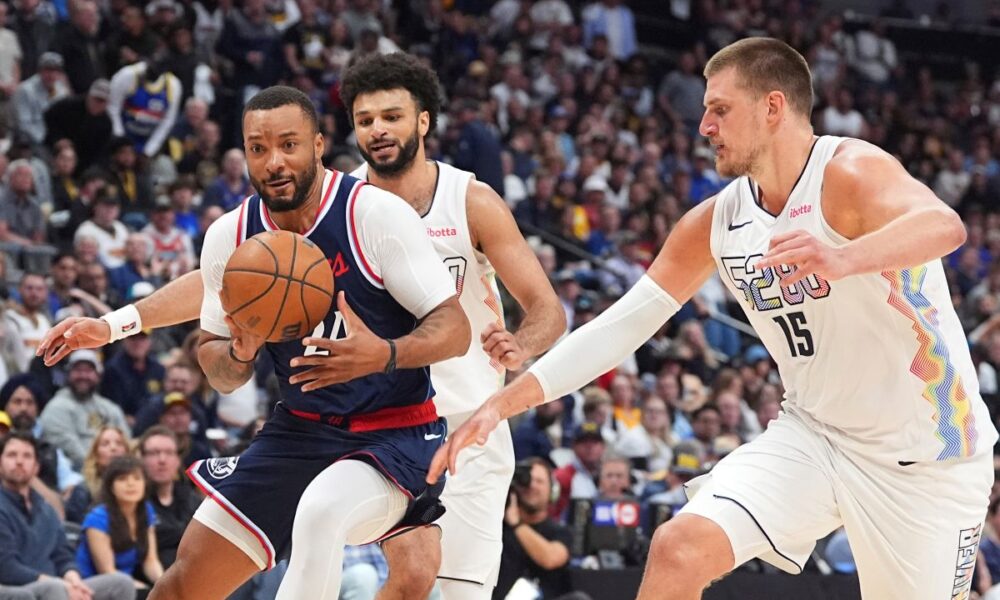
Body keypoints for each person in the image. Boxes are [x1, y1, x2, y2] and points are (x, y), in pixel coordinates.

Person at [431, 37, 997, 600]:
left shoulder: (849, 171)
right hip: (815, 436)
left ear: (772, 107)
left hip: (926, 456)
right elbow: (620, 327)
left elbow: (944, 226)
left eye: (720, 109)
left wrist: (842, 258)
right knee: (679, 547)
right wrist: (503, 404)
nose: (704, 126)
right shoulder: (717, 221)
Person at [41, 52, 565, 600]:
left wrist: (512, 345)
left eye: (392, 117)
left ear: (423, 121)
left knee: (425, 580)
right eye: (365, 120)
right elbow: (229, 281)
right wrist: (126, 325)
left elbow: (536, 310)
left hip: (447, 418)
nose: (378, 130)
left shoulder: (449, 203)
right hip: (314, 423)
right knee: (193, 578)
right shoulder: (297, 210)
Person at [156, 84, 468, 600]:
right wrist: (240, 352)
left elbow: (454, 328)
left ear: (318, 145)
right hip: (300, 431)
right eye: (258, 148)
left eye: (288, 145)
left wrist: (386, 354)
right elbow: (220, 373)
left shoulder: (373, 215)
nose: (274, 161)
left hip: (395, 432)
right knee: (182, 585)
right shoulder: (231, 237)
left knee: (323, 511)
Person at [0, 432, 135, 600]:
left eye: (27, 456)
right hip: (15, 588)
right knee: (53, 589)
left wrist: (74, 580)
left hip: (56, 586)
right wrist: (60, 584)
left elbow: (62, 554)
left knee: (121, 583)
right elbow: (6, 567)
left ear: (36, 467)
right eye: (12, 455)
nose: (19, 461)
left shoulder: (46, 509)